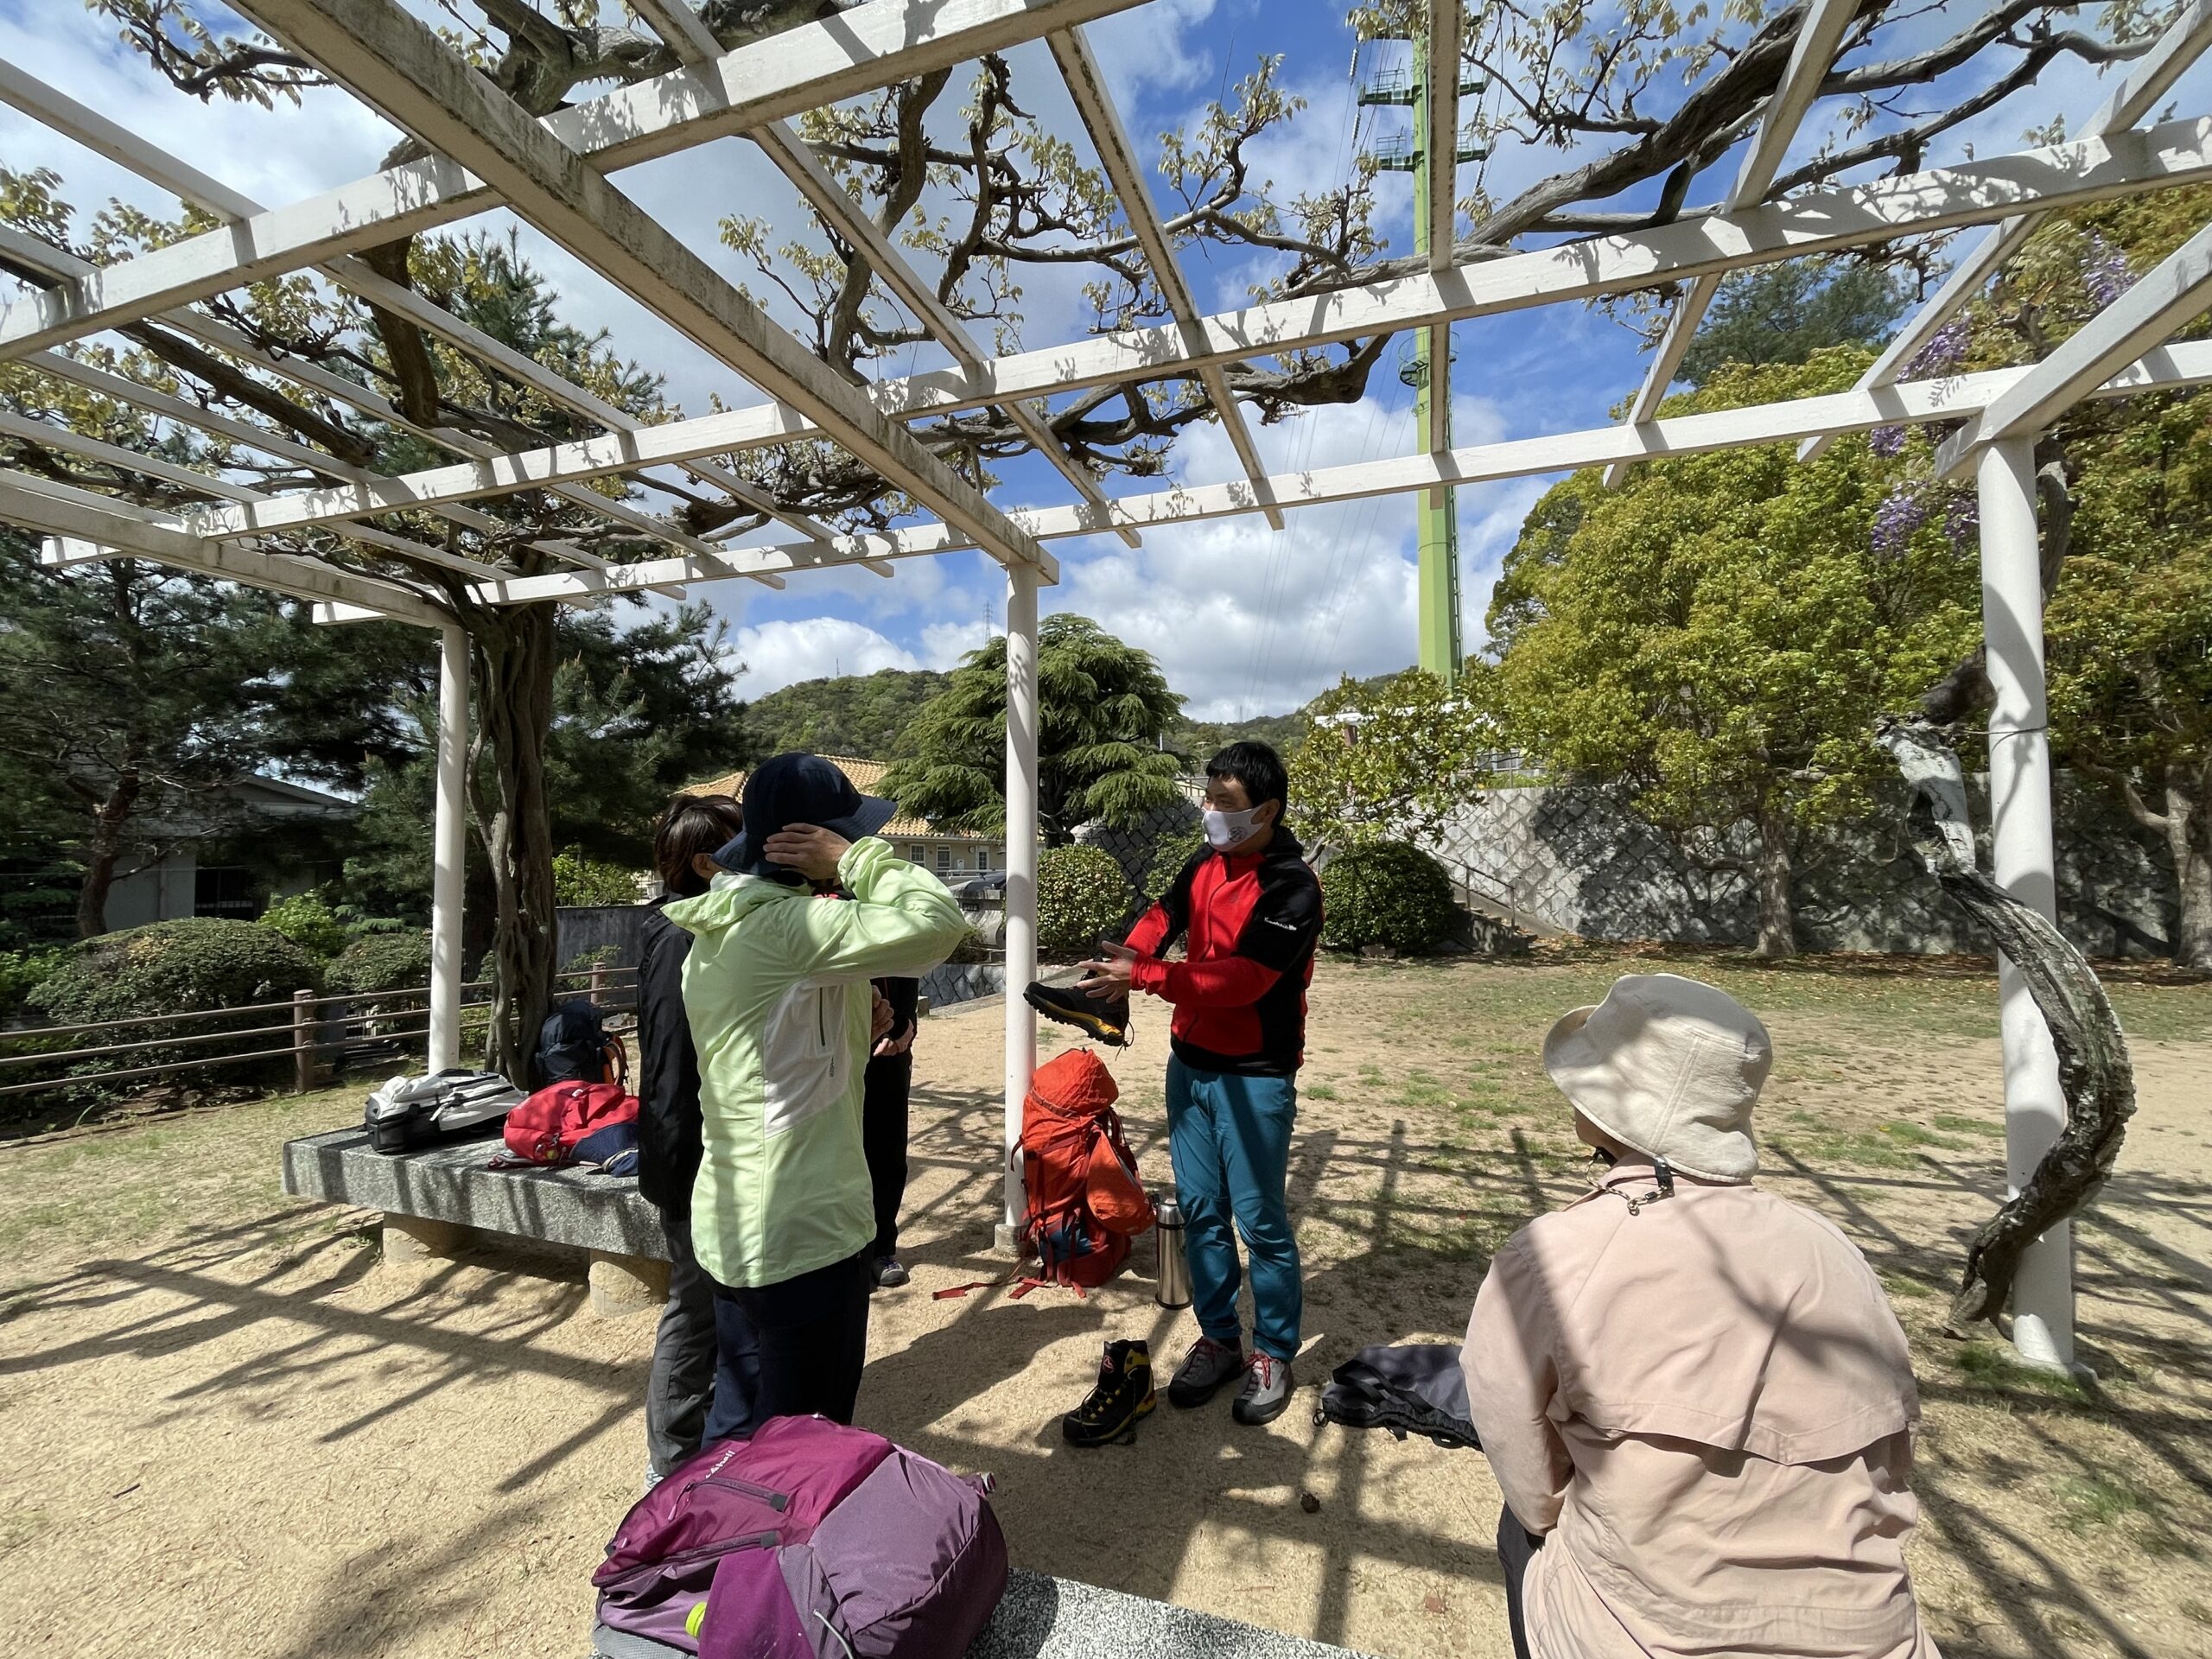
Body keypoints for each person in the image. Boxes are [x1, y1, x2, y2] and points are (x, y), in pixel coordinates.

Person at [1463, 973, 1941, 1659]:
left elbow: (1530, 1479)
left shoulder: (1551, 1256)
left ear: (1611, 1106)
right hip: (1875, 1635)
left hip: (1642, 1635)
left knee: (1523, 1529)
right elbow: (1894, 1449)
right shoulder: (1832, 1249)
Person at [666, 753, 967, 1427]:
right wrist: (858, 860)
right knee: (803, 1445)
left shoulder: (730, 924)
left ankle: (718, 1499)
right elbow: (939, 923)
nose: (856, 843)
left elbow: (773, 1052)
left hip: (740, 1224)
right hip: (803, 1238)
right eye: (845, 833)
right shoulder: (787, 929)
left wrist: (855, 1018)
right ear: (807, 844)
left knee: (740, 1425)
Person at [1077, 740, 1322, 1427]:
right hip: (1189, 1066)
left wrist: (1146, 977)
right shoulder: (1205, 863)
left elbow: (1245, 980)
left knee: (1260, 1221)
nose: (1210, 811)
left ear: (1266, 810)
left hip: (1256, 1076)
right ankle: (1219, 1340)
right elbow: (1163, 913)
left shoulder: (1292, 886)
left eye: (1226, 802)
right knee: (1202, 1210)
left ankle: (1273, 1352)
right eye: (1208, 797)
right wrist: (1131, 956)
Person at [636, 794, 760, 1478]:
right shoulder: (682, 937)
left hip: (702, 1150)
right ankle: (672, 1461)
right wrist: (686, 1166)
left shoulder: (696, 925)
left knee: (718, 1303)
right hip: (689, 1155)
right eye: (744, 846)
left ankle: (713, 1429)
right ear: (708, 863)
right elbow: (672, 1064)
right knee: (697, 1306)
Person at [862, 974, 919, 1288]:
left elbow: (910, 969)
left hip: (892, 1052)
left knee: (889, 1152)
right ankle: (850, 1255)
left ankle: (882, 1248)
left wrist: (905, 1029)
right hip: (840, 1046)